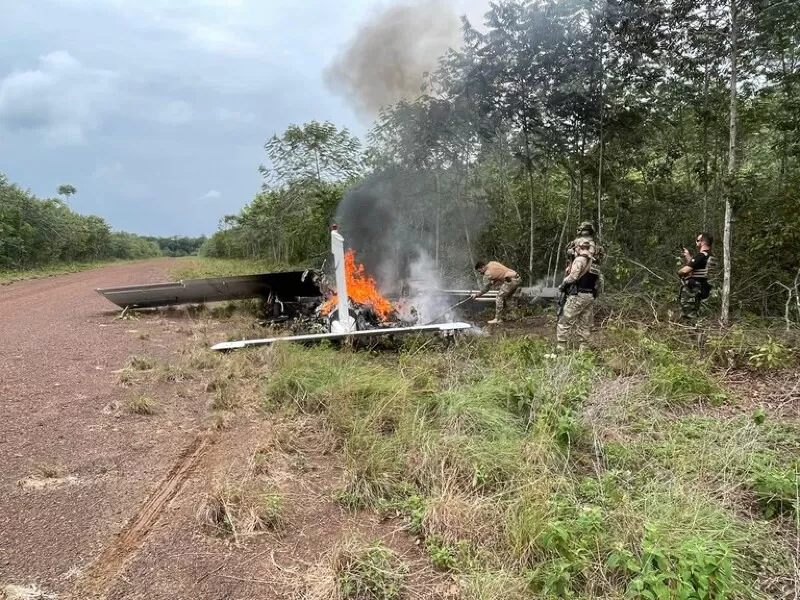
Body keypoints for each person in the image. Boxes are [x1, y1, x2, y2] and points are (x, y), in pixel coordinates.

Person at [556, 240, 598, 351]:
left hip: (578, 295)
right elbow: (600, 281)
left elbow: (573, 277)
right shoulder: (594, 262)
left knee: (564, 320)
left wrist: (563, 283)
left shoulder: (579, 260)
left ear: (578, 248)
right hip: (589, 296)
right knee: (584, 323)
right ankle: (583, 350)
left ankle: (561, 348)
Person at [470, 260, 521, 324]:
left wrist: (477, 295)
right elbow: (499, 272)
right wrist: (494, 280)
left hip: (510, 281)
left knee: (499, 297)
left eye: (479, 271)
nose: (480, 273)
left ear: (483, 267)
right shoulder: (492, 263)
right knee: (508, 297)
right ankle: (513, 316)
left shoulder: (487, 274)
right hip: (517, 278)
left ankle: (498, 319)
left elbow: (486, 289)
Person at [678, 232, 714, 323]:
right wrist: (688, 256)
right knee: (697, 313)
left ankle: (692, 334)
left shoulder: (701, 255)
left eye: (698, 240)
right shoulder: (709, 256)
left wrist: (679, 272)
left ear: (703, 243)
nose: (696, 242)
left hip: (693, 290)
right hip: (703, 288)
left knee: (688, 315)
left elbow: (686, 270)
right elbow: (697, 266)